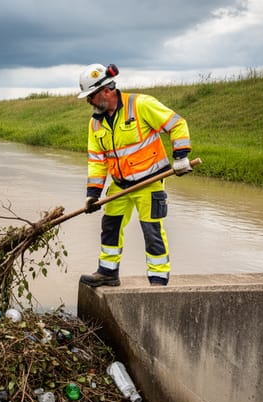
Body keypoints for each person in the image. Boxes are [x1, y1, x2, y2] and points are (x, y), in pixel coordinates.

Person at [77, 63, 192, 287]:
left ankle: (158, 279)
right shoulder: (95, 123)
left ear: (106, 91)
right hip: (120, 185)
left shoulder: (141, 104)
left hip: (149, 182)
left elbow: (177, 124)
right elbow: (97, 161)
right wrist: (93, 194)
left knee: (152, 231)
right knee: (110, 226)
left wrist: (181, 156)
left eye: (91, 97)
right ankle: (108, 273)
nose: (89, 102)